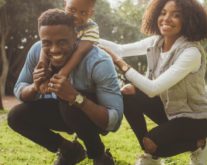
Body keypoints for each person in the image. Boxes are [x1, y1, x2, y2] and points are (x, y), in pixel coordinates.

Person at [99, 0, 207, 164]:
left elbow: (153, 88)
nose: (166, 18)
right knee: (127, 93)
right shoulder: (155, 42)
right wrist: (86, 36)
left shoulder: (191, 52)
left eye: (176, 15)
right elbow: (120, 49)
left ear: (189, 20)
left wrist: (121, 64)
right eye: (163, 13)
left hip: (196, 120)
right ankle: (150, 152)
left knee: (154, 141)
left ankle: (198, 144)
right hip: (171, 112)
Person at [7, 9, 123, 165]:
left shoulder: (99, 61)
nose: (54, 49)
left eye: (62, 41)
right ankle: (70, 151)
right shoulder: (36, 51)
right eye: (47, 43)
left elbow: (113, 122)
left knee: (69, 104)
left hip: (91, 116)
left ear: (75, 37)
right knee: (16, 116)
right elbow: (19, 89)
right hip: (61, 112)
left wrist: (76, 97)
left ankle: (99, 156)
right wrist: (35, 86)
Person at [38, 0, 99, 94]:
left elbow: (80, 52)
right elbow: (47, 43)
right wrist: (42, 68)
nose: (76, 16)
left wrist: (61, 76)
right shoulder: (59, 20)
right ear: (65, 5)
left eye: (83, 12)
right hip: (60, 59)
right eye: (72, 10)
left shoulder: (91, 28)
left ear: (91, 13)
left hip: (79, 65)